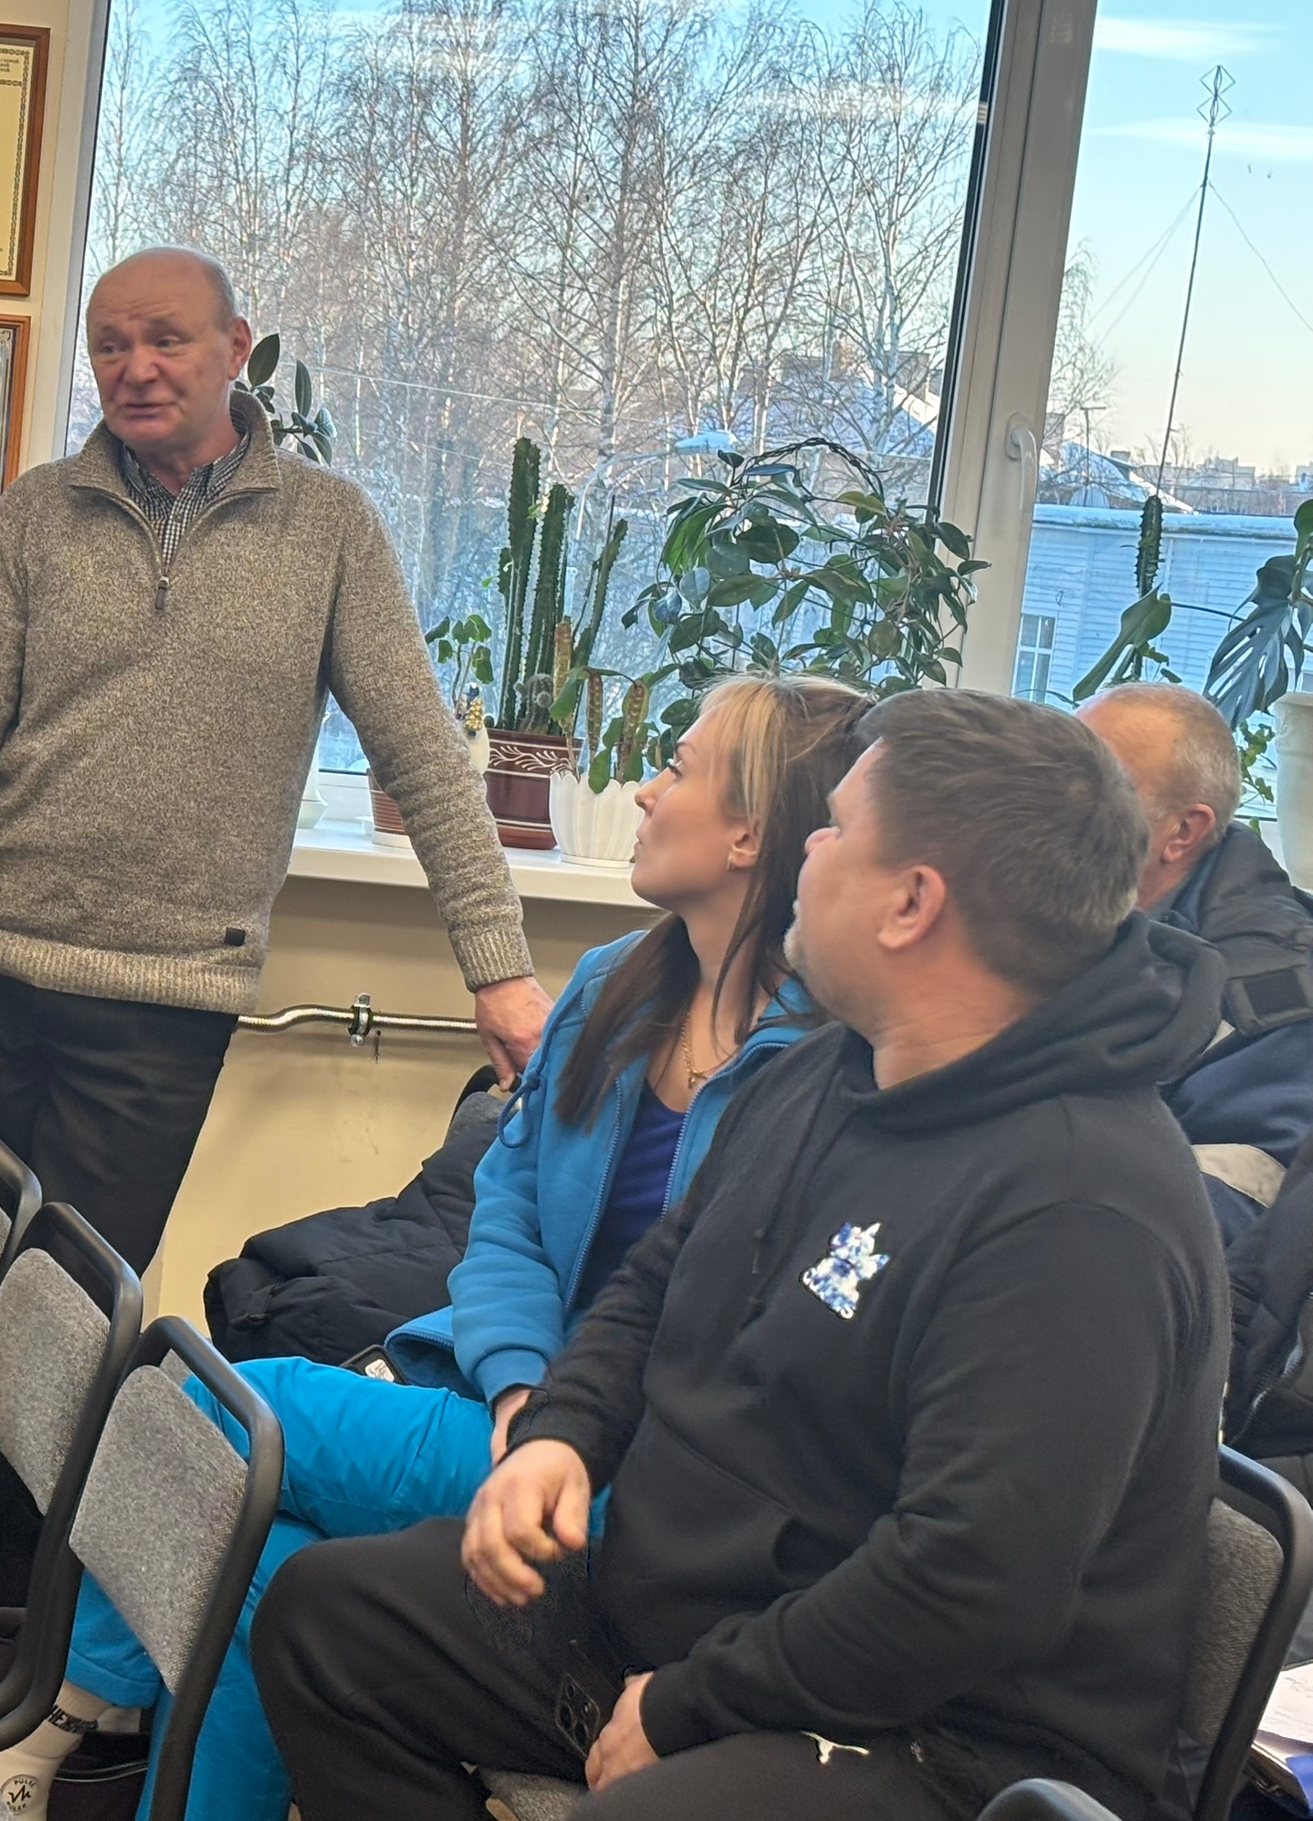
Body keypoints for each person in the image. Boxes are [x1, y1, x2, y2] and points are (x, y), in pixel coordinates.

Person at [251, 689, 1228, 1821]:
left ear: (912, 903)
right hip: (703, 1626)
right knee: (331, 1622)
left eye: (838, 830)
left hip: (947, 1739)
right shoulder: (833, 1066)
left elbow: (969, 1585)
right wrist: (563, 1432)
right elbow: (657, 1281)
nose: (808, 846)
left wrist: (687, 1707)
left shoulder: (1081, 1209)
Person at [0, 674, 870, 1821]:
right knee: (271, 1571)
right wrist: (521, 1387)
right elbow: (503, 1210)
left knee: (201, 1408)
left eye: (677, 768)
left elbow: (727, 1346)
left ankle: (68, 1712)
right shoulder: (614, 986)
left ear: (750, 834)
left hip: (633, 1480)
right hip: (516, 1411)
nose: (646, 792)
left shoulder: (819, 1072)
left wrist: (561, 1425)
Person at [0, 245, 547, 1279]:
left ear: (235, 348)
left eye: (166, 340)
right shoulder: (35, 515)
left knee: (66, 1308)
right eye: (110, 346)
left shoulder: (330, 528)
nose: (136, 368)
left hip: (170, 996)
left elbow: (423, 760)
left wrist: (498, 969)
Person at [1077, 683, 1313, 1233]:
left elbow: (1233, 1211)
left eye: (1090, 785)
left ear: (1183, 830)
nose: (1048, 804)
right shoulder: (1077, 915)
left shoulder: (1270, 998)